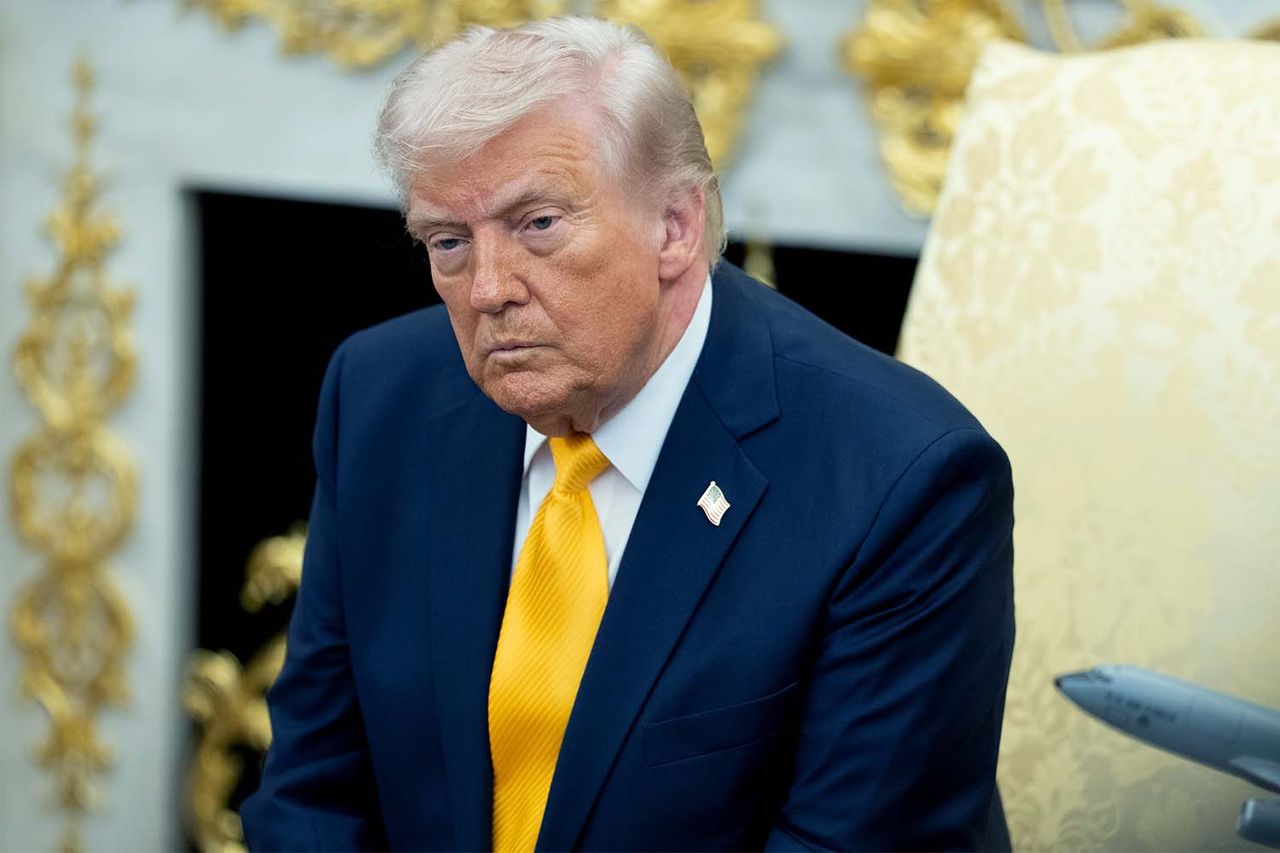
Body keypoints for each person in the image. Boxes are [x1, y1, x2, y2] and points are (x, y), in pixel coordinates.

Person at [240, 16, 1015, 852]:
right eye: (450, 242)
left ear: (676, 226)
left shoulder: (900, 480)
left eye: (537, 223)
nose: (488, 289)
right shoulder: (381, 397)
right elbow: (313, 793)